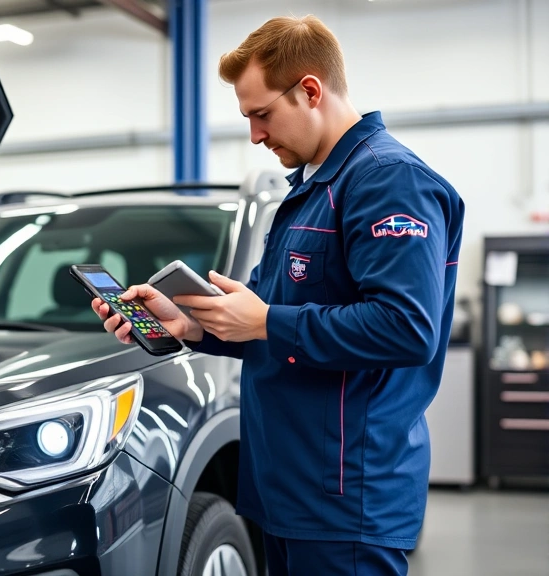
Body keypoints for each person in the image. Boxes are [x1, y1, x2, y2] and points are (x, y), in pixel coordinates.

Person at [92, 14, 465, 576]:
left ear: (310, 90)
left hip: (345, 498)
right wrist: (191, 326)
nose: (255, 135)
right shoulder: (312, 191)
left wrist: (267, 321)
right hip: (287, 490)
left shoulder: (388, 180)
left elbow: (406, 328)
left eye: (261, 115)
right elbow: (270, 323)